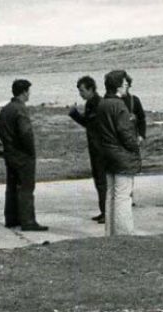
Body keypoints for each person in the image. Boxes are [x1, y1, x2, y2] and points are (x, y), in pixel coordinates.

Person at [0, 79, 48, 231]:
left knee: (11, 188)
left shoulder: (5, 109)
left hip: (9, 153)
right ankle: (28, 221)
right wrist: (31, 151)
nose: (29, 95)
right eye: (28, 92)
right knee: (26, 188)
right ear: (24, 92)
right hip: (22, 155)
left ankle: (11, 218)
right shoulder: (21, 109)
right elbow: (25, 133)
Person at [96, 70, 141, 236]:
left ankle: (110, 232)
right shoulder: (119, 105)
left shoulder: (103, 103)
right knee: (123, 196)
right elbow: (125, 133)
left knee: (111, 195)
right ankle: (124, 234)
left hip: (107, 154)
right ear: (117, 86)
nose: (127, 85)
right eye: (124, 83)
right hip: (122, 155)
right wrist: (135, 147)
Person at [68, 76, 106, 223]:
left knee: (102, 181)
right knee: (98, 180)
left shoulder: (98, 103)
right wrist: (75, 114)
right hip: (95, 148)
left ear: (91, 89)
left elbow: (92, 124)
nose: (80, 94)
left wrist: (76, 115)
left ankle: (106, 212)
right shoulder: (91, 103)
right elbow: (88, 123)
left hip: (100, 149)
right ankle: (104, 210)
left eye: (82, 90)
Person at [122, 73, 146, 143]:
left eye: (126, 85)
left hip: (132, 138)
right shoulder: (112, 102)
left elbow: (142, 119)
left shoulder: (134, 100)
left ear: (129, 86)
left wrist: (141, 135)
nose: (124, 87)